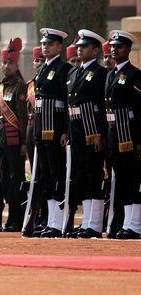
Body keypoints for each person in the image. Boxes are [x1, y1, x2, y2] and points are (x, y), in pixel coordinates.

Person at [65, 29, 108, 238]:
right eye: (79, 46)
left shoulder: (100, 74)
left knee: (94, 174)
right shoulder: (74, 72)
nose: (80, 50)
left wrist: (101, 133)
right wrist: (66, 131)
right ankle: (86, 223)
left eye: (84, 47)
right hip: (76, 129)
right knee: (81, 175)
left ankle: (94, 224)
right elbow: (69, 104)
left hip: (92, 129)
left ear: (95, 50)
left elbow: (102, 104)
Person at [33, 28, 71, 238]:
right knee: (45, 175)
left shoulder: (62, 68)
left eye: (49, 44)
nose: (45, 46)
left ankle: (59, 222)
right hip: (42, 127)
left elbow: (66, 101)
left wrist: (65, 130)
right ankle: (50, 221)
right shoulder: (43, 69)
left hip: (55, 127)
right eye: (43, 43)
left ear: (58, 46)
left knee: (56, 173)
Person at [104, 30, 141, 239]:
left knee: (131, 179)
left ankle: (135, 225)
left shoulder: (135, 75)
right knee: (120, 178)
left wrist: (139, 140)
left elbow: (139, 109)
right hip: (113, 133)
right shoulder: (110, 74)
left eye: (118, 46)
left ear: (128, 49)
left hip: (129, 134)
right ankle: (127, 223)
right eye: (112, 46)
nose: (114, 49)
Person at [0, 38, 28, 232]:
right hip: (2, 138)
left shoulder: (19, 87)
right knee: (4, 178)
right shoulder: (1, 87)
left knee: (16, 178)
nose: (6, 66)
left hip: (15, 139)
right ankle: (10, 215)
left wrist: (24, 141)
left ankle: (17, 216)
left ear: (16, 65)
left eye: (10, 63)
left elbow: (23, 118)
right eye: (4, 62)